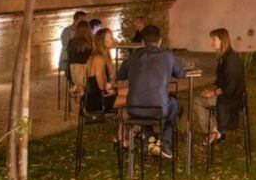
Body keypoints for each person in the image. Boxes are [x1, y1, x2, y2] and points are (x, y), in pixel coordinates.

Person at [115, 25, 185, 159]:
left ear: (142, 42)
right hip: (157, 109)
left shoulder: (133, 55)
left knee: (144, 111)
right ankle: (164, 141)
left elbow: (120, 75)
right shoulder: (167, 55)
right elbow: (181, 73)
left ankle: (150, 140)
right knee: (175, 107)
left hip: (133, 109)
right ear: (160, 41)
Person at [192, 28, 245, 145]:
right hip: (225, 95)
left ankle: (213, 131)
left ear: (223, 40)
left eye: (214, 40)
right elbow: (221, 80)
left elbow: (231, 86)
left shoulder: (231, 59)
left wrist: (214, 93)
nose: (212, 43)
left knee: (196, 100)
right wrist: (211, 90)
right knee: (198, 97)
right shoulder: (224, 58)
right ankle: (216, 131)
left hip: (231, 99)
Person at [85, 28, 119, 113]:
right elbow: (102, 86)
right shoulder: (99, 58)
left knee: (131, 91)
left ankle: (126, 124)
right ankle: (131, 124)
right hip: (98, 99)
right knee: (130, 98)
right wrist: (111, 87)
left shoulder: (103, 56)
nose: (114, 40)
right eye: (110, 38)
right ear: (102, 42)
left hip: (101, 95)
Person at [66, 19, 95, 97]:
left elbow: (69, 58)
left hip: (73, 74)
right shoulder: (91, 43)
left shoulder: (71, 42)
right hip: (88, 74)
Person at [59, 10, 87, 78]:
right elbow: (67, 47)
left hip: (81, 58)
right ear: (75, 20)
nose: (84, 23)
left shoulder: (86, 31)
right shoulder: (67, 31)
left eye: (85, 21)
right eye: (82, 21)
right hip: (69, 59)